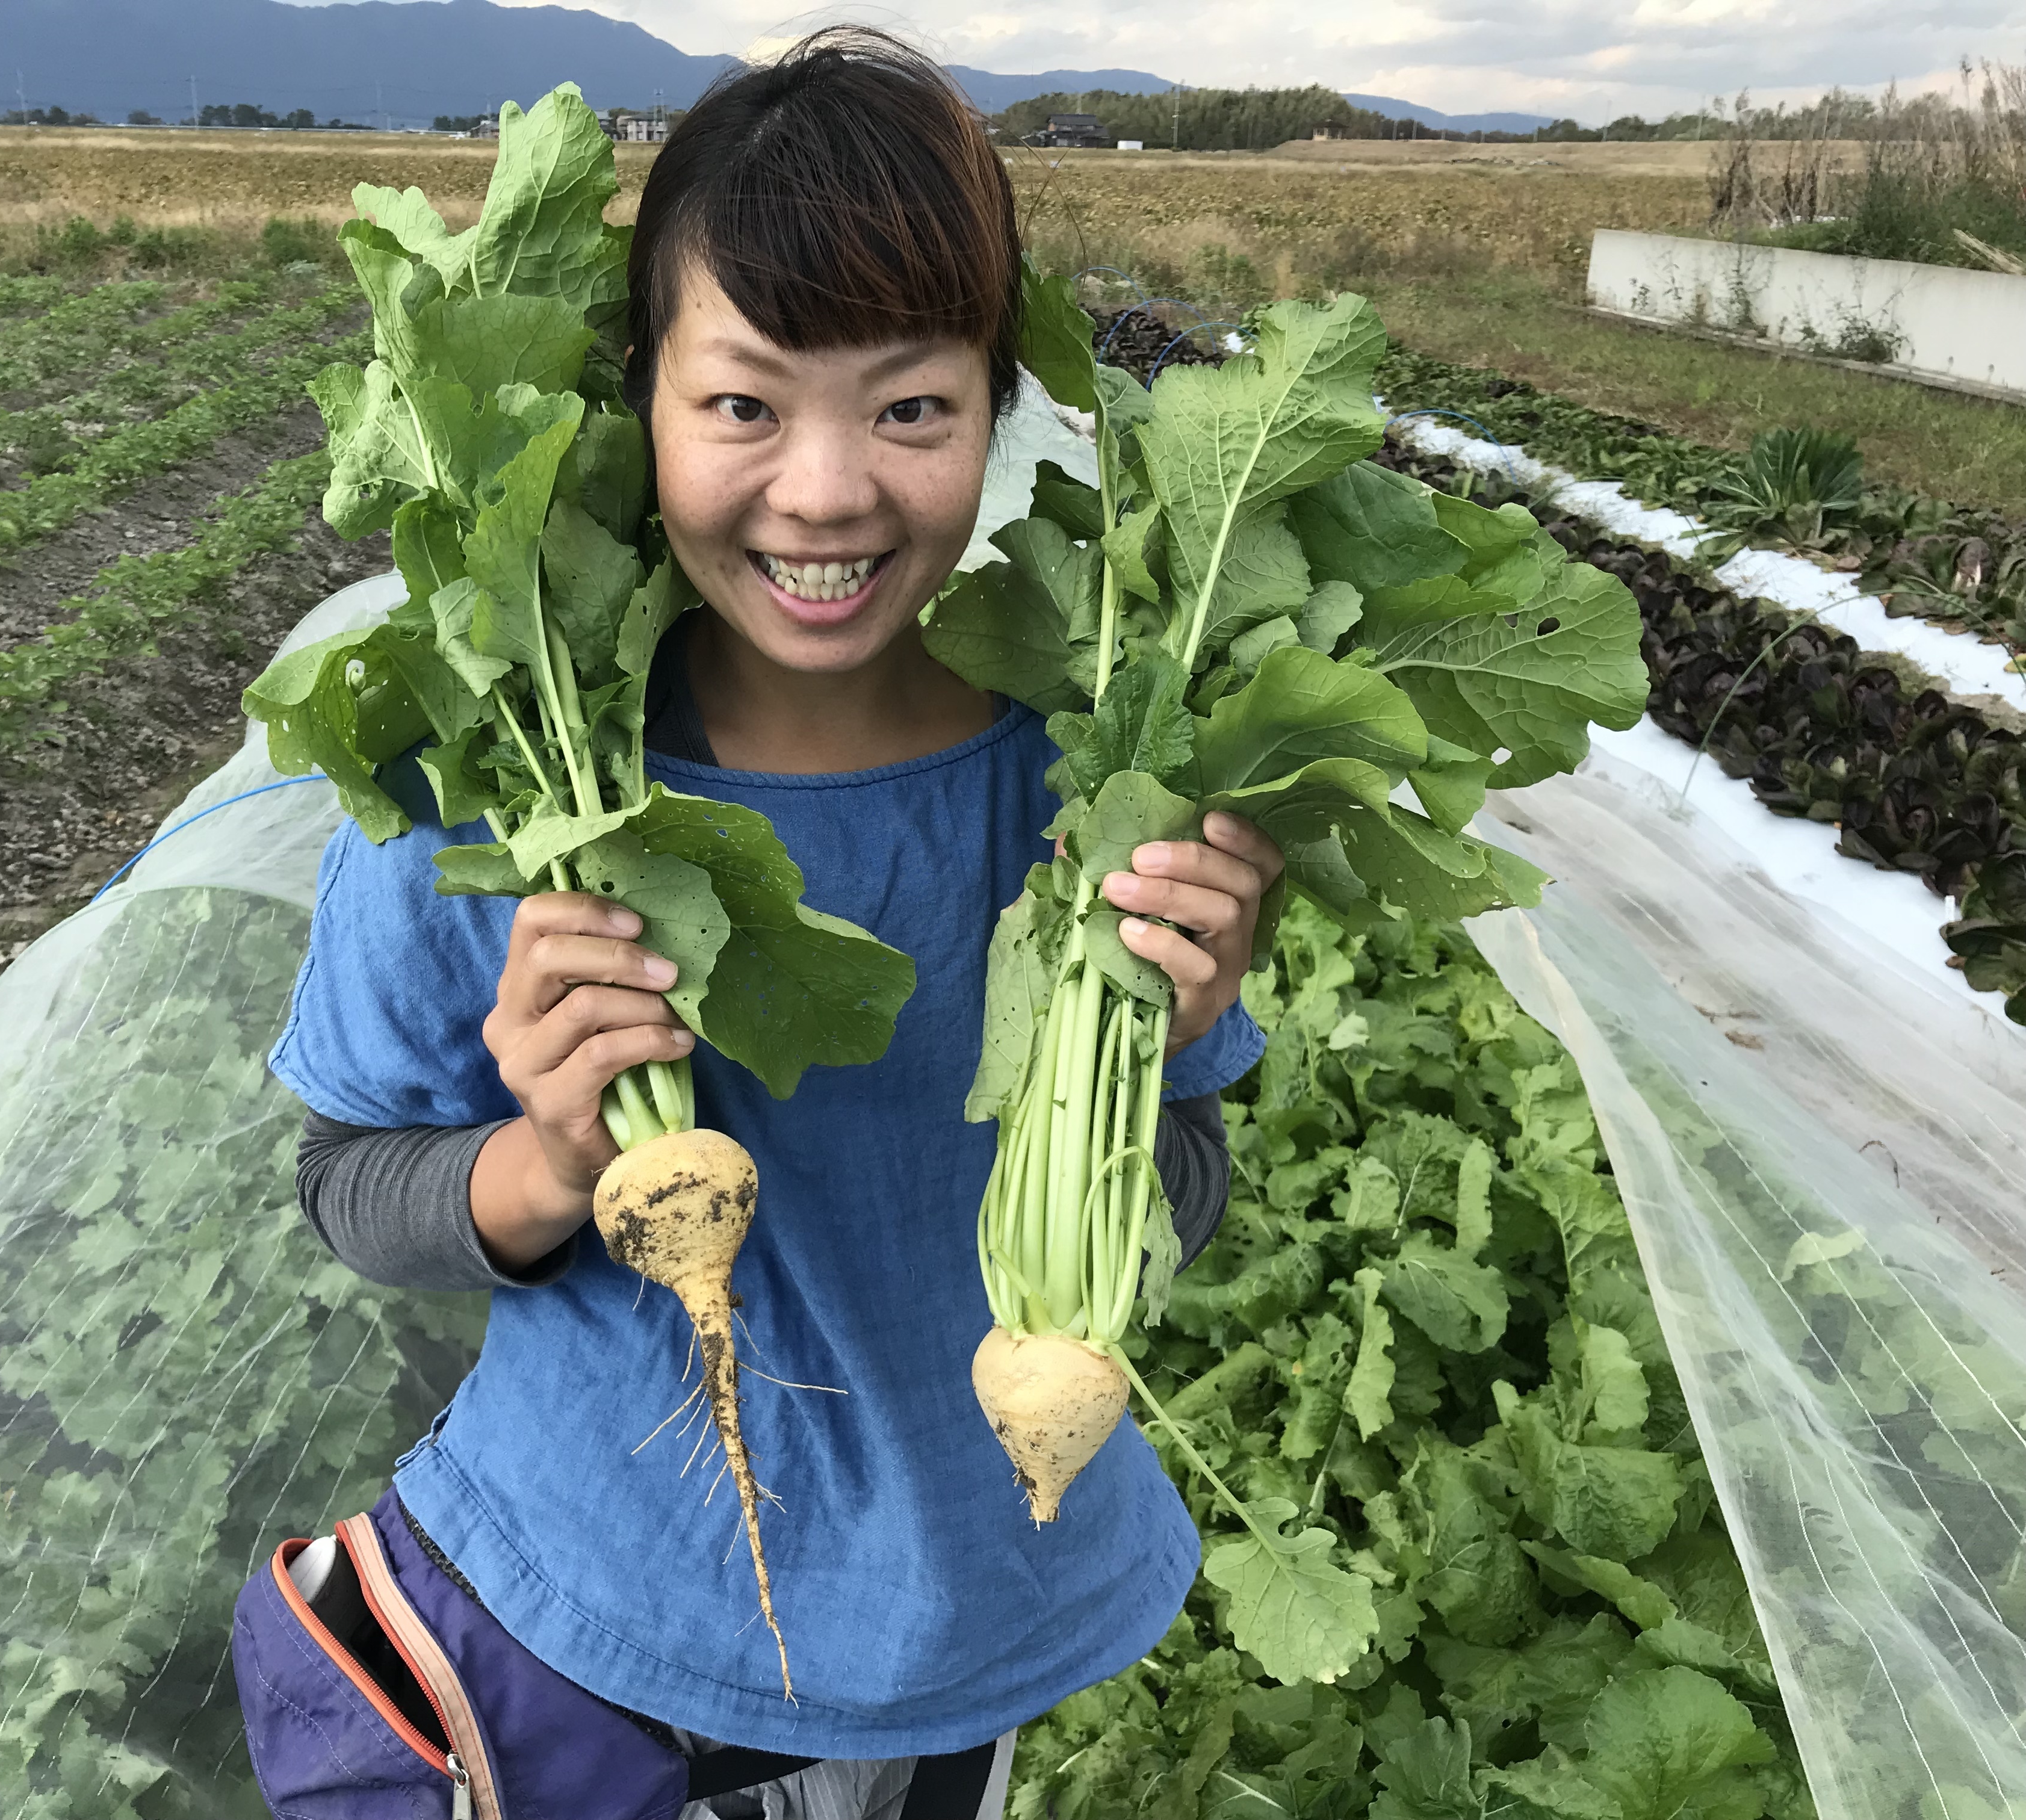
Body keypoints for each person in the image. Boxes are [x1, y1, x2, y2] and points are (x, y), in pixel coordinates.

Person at [268, 28, 1284, 1818]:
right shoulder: (494, 773)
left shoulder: (1092, 792)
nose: (825, 492)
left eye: (911, 409)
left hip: (960, 1624)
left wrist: (1156, 1069)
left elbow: (1186, 1182)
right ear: (635, 398)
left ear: (997, 408)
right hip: (584, 1618)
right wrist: (553, 1162)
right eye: (744, 404)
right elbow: (356, 1189)